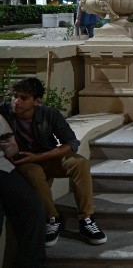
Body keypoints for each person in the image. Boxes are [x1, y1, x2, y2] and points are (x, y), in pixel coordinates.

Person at [2, 77, 107, 247]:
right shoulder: (4, 111)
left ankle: (86, 219)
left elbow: (71, 143)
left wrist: (38, 157)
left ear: (37, 101)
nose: (16, 101)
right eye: (15, 96)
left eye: (24, 98)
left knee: (80, 163)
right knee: (33, 172)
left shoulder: (49, 114)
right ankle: (52, 218)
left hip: (48, 157)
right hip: (25, 162)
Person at [0, 114, 46, 267]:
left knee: (32, 206)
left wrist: (7, 144)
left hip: (3, 170)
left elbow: (12, 151)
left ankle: (31, 263)